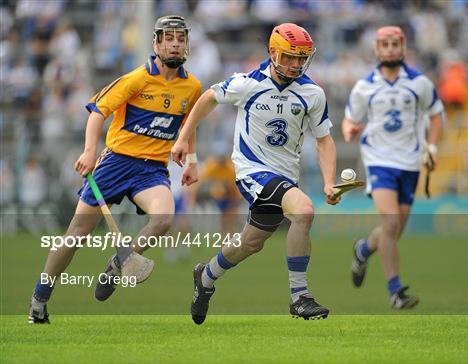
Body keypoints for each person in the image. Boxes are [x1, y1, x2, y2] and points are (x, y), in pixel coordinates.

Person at [28, 15, 202, 324]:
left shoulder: (192, 86)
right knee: (76, 235)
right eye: (169, 38)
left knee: (163, 219)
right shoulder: (136, 78)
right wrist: (90, 151)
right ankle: (39, 298)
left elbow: (189, 124)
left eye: (180, 38)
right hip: (117, 162)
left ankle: (119, 260)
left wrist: (191, 159)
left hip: (152, 169)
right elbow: (98, 112)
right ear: (157, 43)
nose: (176, 44)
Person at [172, 23, 340, 324]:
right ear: (273, 52)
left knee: (250, 243)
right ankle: (300, 296)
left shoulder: (313, 93)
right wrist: (185, 137)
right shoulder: (247, 83)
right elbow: (208, 98)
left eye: (302, 58)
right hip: (252, 171)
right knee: (303, 211)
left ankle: (206, 277)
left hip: (285, 176)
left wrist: (329, 181)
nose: (296, 64)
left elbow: (324, 140)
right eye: (289, 57)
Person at [342, 26, 444, 309]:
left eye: (394, 44)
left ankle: (363, 249)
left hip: (410, 161)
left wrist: (432, 147)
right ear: (376, 49)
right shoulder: (365, 86)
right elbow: (350, 119)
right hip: (378, 159)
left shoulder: (420, 83)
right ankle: (395, 292)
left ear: (403, 47)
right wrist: (350, 128)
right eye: (384, 44)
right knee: (390, 223)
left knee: (393, 231)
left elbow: (437, 116)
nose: (389, 49)